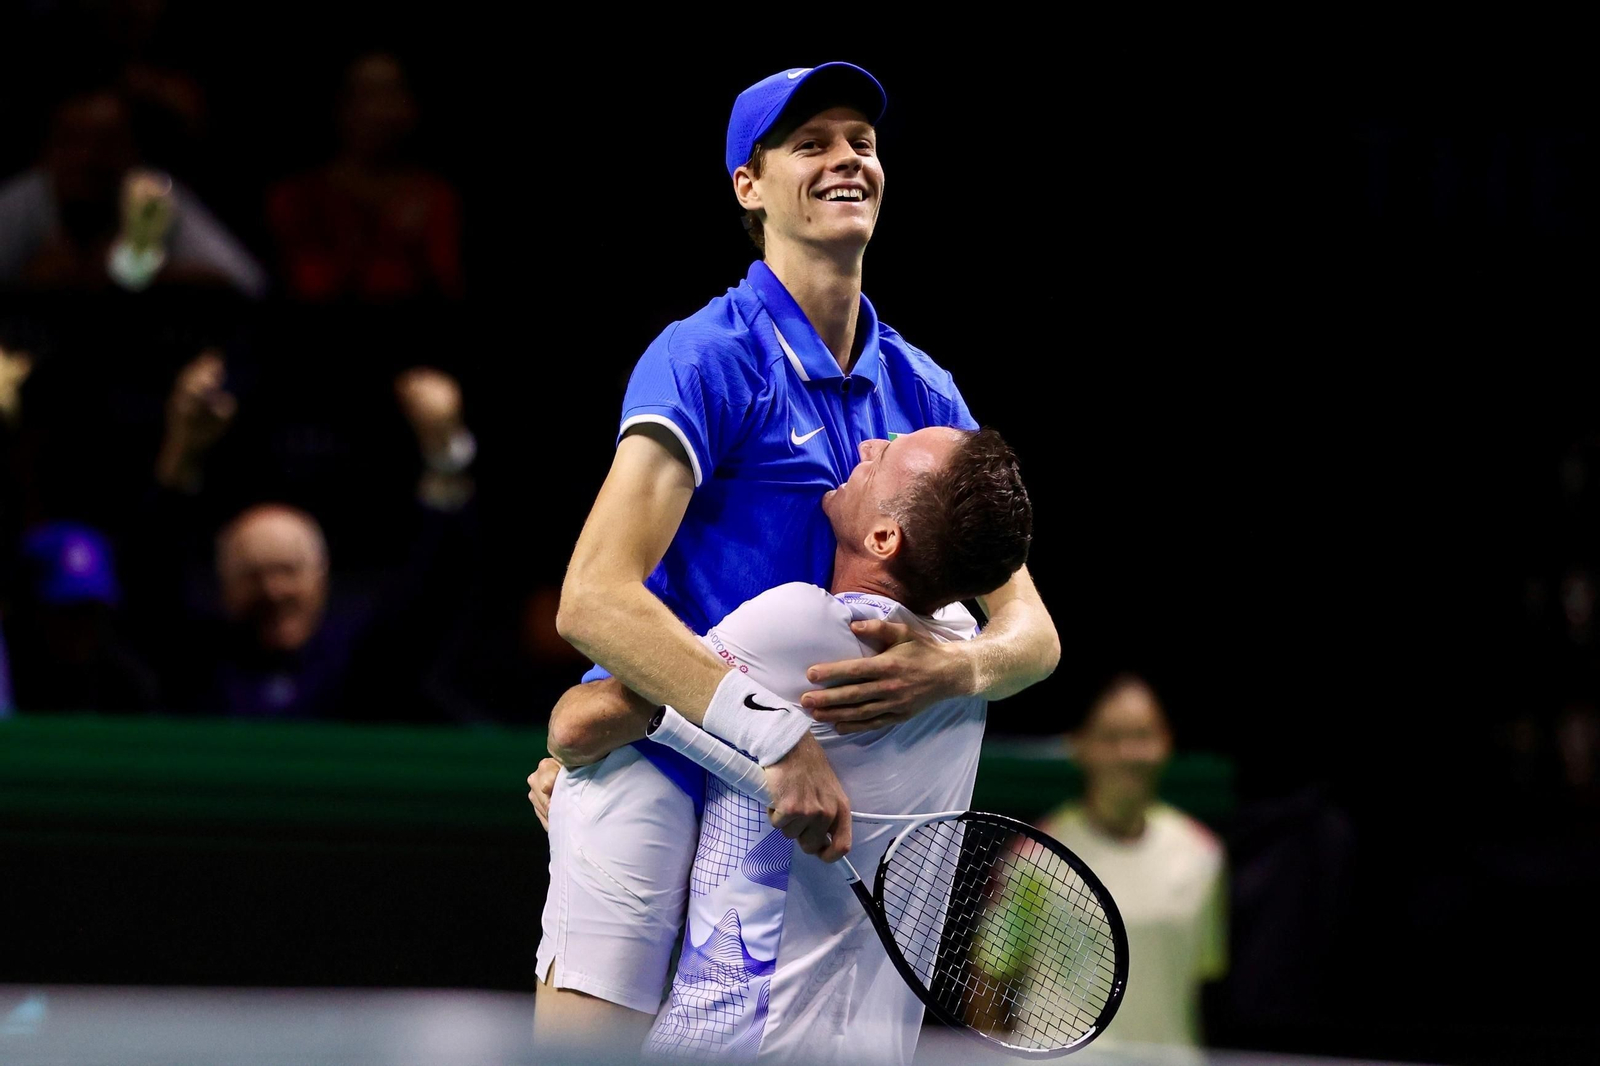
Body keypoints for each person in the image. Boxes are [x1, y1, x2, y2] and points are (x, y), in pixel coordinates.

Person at [537, 60, 1060, 1037]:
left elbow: (1031, 629)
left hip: (813, 785)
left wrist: (958, 666)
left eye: (859, 141)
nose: (845, 159)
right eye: (810, 143)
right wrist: (764, 735)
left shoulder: (923, 392)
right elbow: (592, 599)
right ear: (750, 184)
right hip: (663, 747)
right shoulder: (705, 357)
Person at [536, 426, 1032, 1062]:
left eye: (887, 459)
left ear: (885, 539)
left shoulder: (801, 627)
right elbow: (1030, 641)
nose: (868, 446)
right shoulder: (968, 663)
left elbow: (576, 726)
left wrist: (579, 775)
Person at [1029, 676, 1227, 1057]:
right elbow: (989, 978)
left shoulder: (1203, 855)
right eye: (1110, 737)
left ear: (1166, 743)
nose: (1127, 752)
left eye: (1142, 735)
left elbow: (1203, 979)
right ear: (1080, 745)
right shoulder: (1035, 854)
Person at [0, 85, 265, 297]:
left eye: (106, 143)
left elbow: (247, 284)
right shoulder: (25, 199)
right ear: (48, 148)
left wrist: (137, 277)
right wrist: (26, 282)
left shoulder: (151, 196)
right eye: (72, 141)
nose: (87, 158)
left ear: (134, 151)